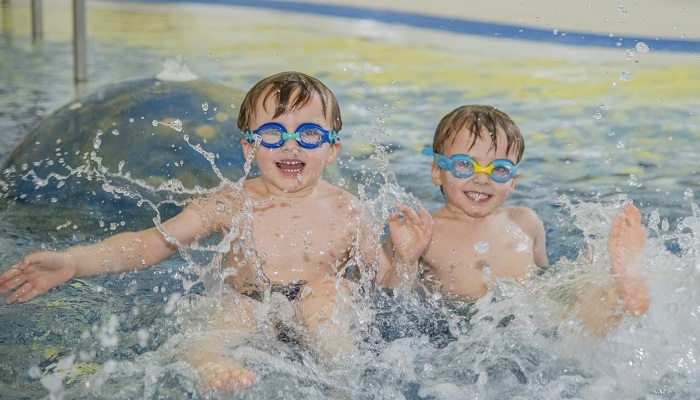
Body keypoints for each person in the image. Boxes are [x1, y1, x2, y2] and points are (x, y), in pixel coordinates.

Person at [0, 71, 433, 392]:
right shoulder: (231, 203)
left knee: (327, 295)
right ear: (248, 146)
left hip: (321, 314)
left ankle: (342, 382)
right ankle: (209, 360)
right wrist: (74, 262)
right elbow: (153, 244)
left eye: (309, 133)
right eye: (271, 133)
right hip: (252, 307)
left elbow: (388, 286)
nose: (290, 144)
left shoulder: (351, 211)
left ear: (332, 148)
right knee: (229, 314)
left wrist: (406, 259)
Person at [405, 104, 649, 337]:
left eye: (498, 170)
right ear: (437, 171)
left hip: (533, 315)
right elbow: (395, 292)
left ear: (513, 180)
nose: (481, 179)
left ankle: (621, 284)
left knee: (579, 304)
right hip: (466, 325)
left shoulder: (525, 221)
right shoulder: (426, 230)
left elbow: (549, 278)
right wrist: (405, 260)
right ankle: (618, 290)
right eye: (464, 166)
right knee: (570, 331)